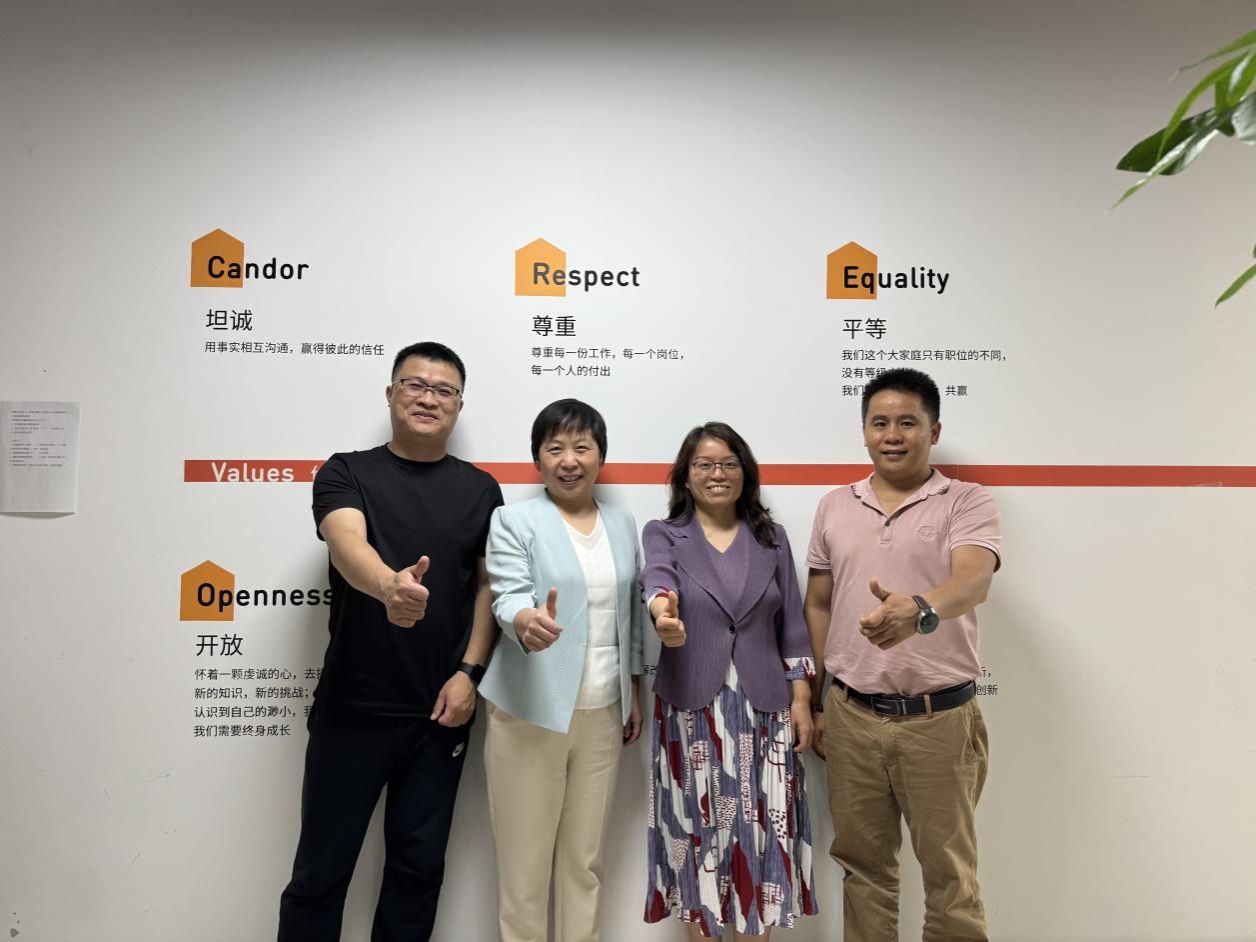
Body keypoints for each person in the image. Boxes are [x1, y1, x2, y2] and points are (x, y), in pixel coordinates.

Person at [277, 341, 503, 942]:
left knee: (417, 873)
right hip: (353, 706)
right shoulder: (346, 471)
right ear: (390, 393)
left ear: (459, 405)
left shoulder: (481, 489)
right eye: (415, 384)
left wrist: (469, 674)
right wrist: (388, 587)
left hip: (440, 714)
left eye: (444, 390)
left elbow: (487, 588)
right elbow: (346, 543)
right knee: (320, 872)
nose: (428, 398)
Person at [804, 368, 1001, 942]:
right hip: (851, 717)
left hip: (938, 719)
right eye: (880, 423)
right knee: (864, 872)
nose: (893, 435)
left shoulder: (966, 500)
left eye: (908, 423)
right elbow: (819, 603)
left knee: (950, 879)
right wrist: (817, 702)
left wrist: (919, 609)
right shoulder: (834, 506)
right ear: (864, 431)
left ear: (933, 431)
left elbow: (974, 578)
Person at [641, 422, 818, 940]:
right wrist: (662, 612)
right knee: (700, 835)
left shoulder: (771, 538)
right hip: (691, 709)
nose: (716, 474)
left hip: (766, 710)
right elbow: (657, 578)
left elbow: (793, 624)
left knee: (765, 837)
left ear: (745, 473)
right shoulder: (664, 533)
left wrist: (802, 698)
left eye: (728, 464)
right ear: (685, 476)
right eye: (704, 464)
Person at [479, 398, 645, 942]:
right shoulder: (514, 520)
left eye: (581, 447)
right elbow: (507, 594)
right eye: (555, 449)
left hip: (604, 713)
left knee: (585, 863)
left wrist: (633, 689)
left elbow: (629, 614)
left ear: (600, 456)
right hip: (530, 712)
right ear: (538, 460)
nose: (569, 460)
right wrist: (524, 620)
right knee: (525, 869)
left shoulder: (622, 523)